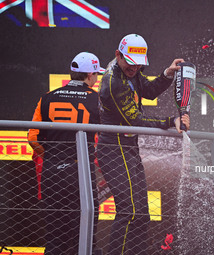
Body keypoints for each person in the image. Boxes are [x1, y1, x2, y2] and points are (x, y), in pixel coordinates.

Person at [97, 33, 190, 254]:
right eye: (130, 64)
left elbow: (148, 91)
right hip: (113, 150)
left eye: (138, 65)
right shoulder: (112, 82)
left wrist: (168, 73)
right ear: (118, 55)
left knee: (142, 214)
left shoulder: (132, 71)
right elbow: (135, 120)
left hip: (128, 148)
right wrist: (171, 121)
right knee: (129, 211)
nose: (134, 68)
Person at [28, 52, 104, 255]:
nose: (97, 79)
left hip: (52, 172)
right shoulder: (97, 100)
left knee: (54, 236)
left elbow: (33, 138)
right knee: (85, 235)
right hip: (81, 173)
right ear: (89, 75)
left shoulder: (47, 98)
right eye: (96, 75)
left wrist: (52, 158)